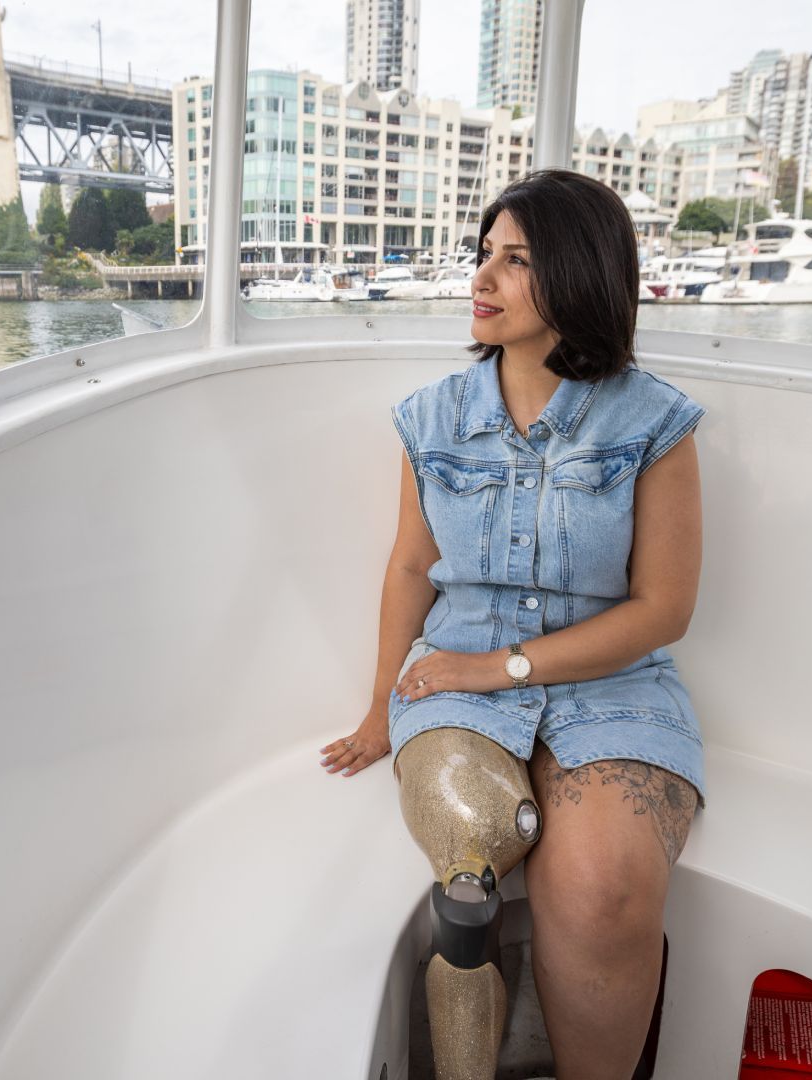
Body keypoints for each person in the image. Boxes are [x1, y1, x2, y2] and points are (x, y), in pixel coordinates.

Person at [318, 167, 707, 1079]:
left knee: (604, 888)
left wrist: (497, 670)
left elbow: (664, 609)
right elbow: (412, 566)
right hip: (451, 679)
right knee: (470, 846)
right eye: (484, 254)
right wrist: (382, 706)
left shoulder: (655, 423)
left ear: (578, 274)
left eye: (516, 259)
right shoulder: (431, 419)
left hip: (609, 686)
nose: (481, 280)